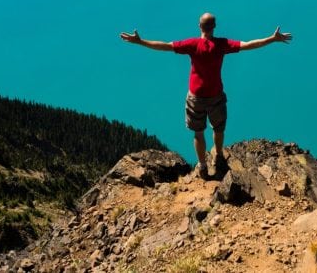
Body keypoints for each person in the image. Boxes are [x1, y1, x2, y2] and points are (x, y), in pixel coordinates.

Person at [119, 12, 292, 179]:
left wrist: (140, 41)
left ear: (199, 26)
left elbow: (165, 46)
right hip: (215, 95)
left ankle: (202, 165)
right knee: (218, 128)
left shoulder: (192, 44)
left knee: (198, 133)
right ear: (214, 26)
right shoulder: (222, 44)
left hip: (195, 97)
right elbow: (248, 45)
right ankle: (218, 155)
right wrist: (272, 38)